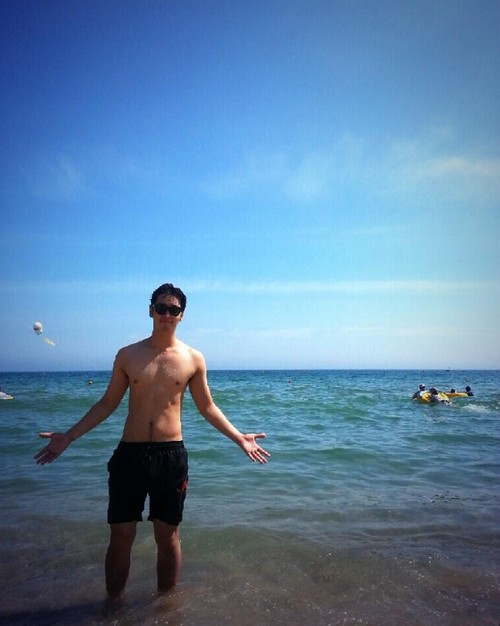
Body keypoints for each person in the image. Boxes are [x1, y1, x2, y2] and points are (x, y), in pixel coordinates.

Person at [34, 283, 270, 599]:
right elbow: (107, 403)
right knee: (120, 536)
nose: (166, 315)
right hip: (129, 455)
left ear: (181, 315)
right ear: (150, 311)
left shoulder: (192, 358)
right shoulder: (128, 355)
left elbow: (207, 407)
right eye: (161, 308)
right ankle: (113, 606)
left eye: (173, 310)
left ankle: (166, 609)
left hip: (170, 456)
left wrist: (238, 437)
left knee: (167, 537)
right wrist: (69, 436)